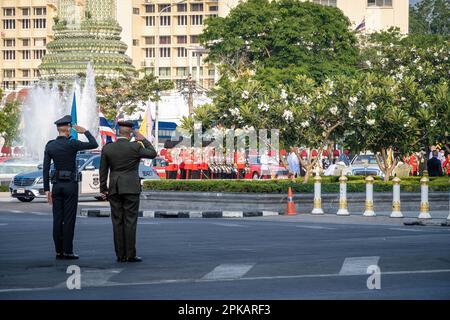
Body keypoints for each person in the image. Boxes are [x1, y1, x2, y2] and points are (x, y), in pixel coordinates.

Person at [99, 121, 157, 263]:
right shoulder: (135, 147)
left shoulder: (108, 148)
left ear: (118, 133)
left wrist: (103, 189)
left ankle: (120, 255)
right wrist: (142, 139)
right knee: (130, 221)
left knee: (117, 221)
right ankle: (130, 254)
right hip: (131, 187)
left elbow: (103, 170)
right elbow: (153, 153)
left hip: (115, 187)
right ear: (130, 134)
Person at [43, 115, 98, 260]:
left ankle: (58, 251)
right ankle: (68, 251)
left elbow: (46, 168)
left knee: (57, 219)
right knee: (68, 219)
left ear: (58, 129)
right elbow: (94, 144)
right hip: (70, 186)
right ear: (68, 129)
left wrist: (46, 189)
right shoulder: (73, 143)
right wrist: (84, 131)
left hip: (56, 186)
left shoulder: (50, 145)